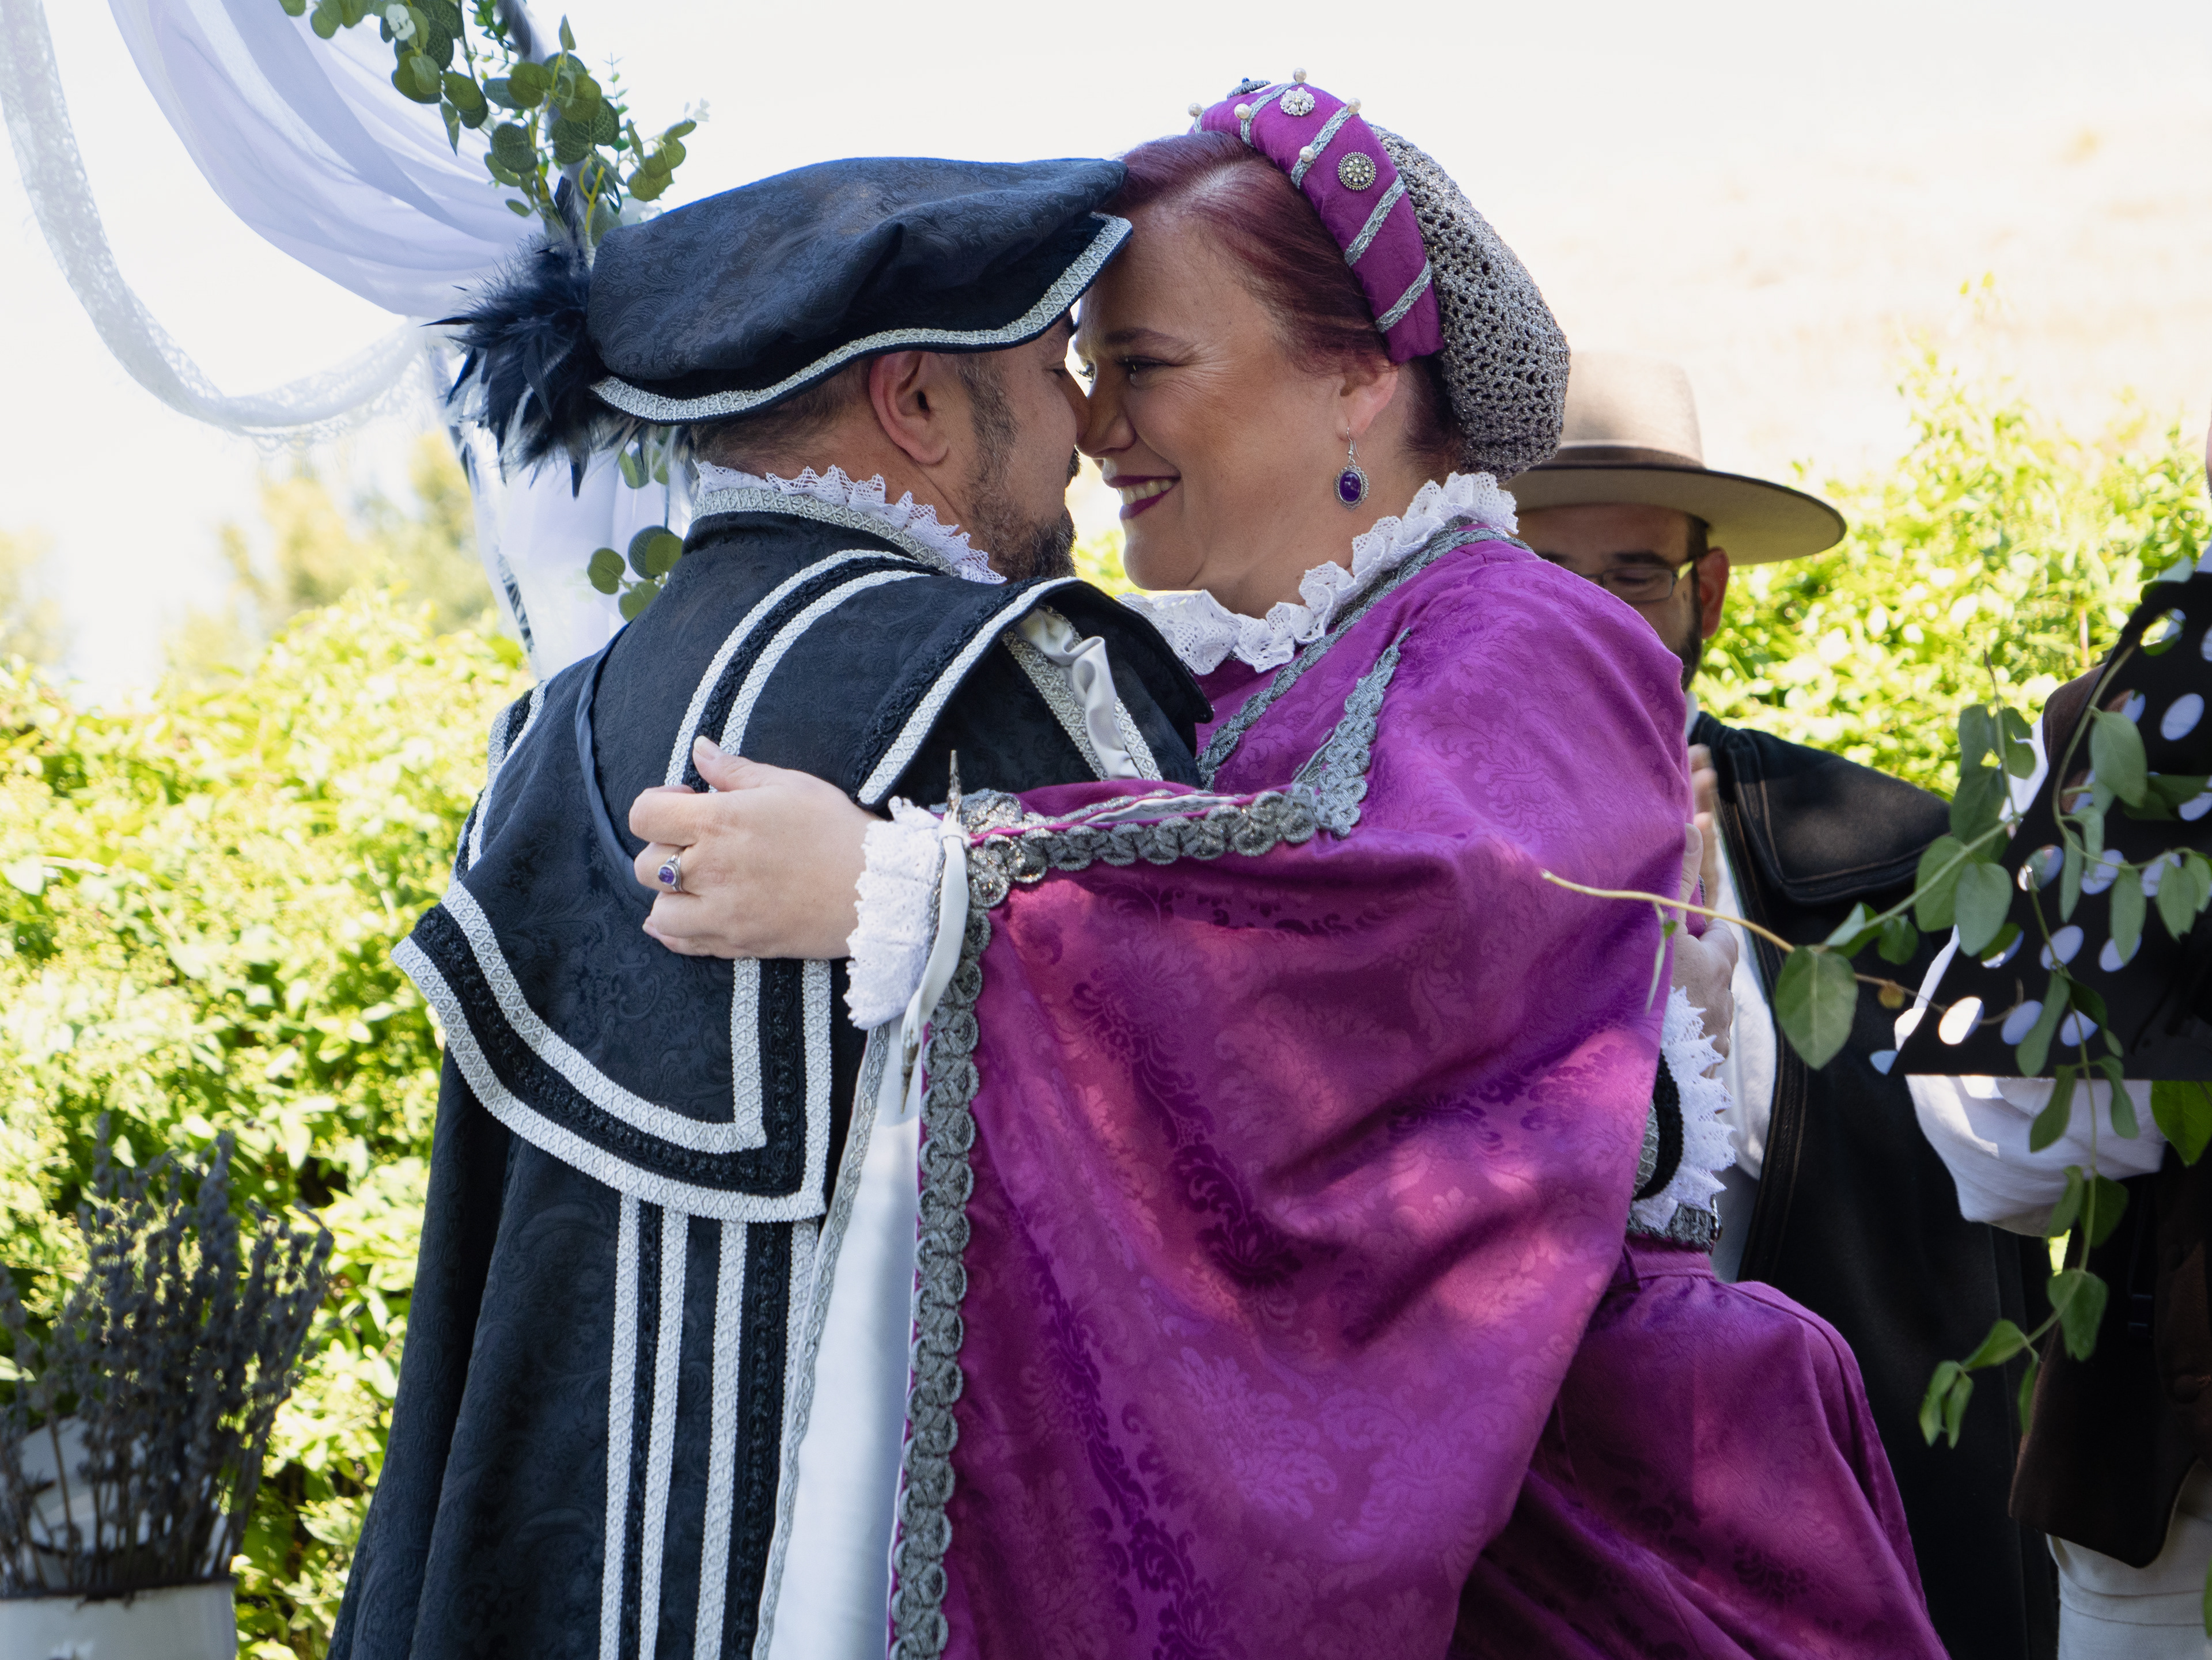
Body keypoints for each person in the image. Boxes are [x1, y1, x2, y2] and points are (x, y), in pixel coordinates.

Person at [630, 78, 1942, 1658]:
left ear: (1357, 380)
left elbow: (1398, 929)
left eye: (1146, 365)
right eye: (1088, 369)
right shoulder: (1242, 671)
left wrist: (914, 893)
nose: (1096, 425)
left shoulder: (1528, 632)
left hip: (1580, 1533)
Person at [329, 156, 1221, 1660]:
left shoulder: (542, 744)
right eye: (1050, 365)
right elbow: (1227, 1097)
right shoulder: (1024, 682)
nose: (1083, 420)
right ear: (917, 401)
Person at [1513, 351, 2059, 1659]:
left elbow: (1966, 1227)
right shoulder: (1422, 857)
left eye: (1634, 576)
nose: (1592, 621)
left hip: (1865, 1535)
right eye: (1548, 574)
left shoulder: (1899, 861)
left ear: (1705, 591)